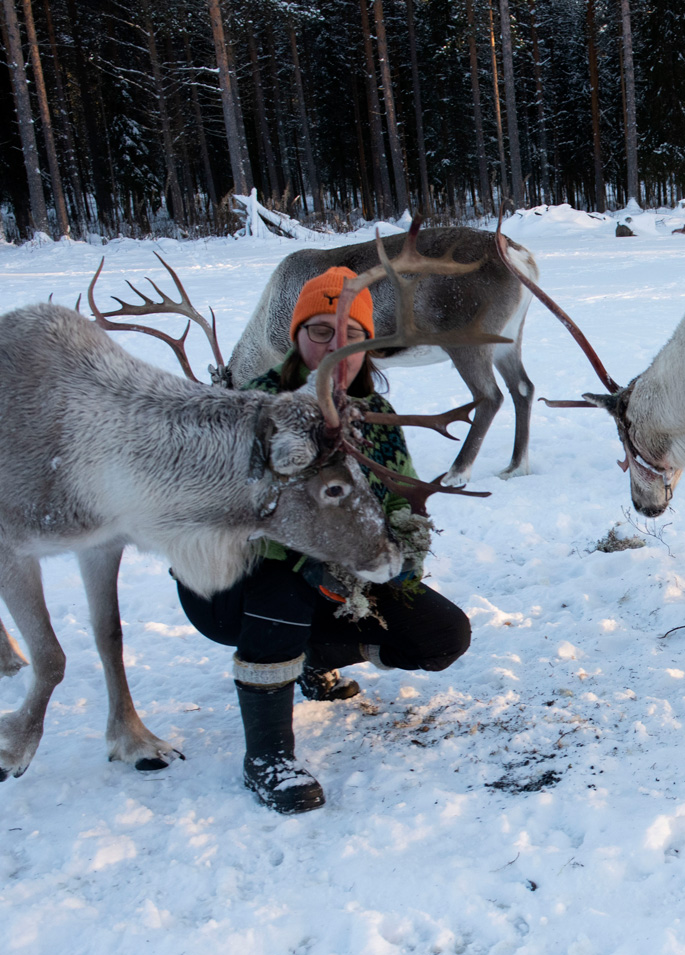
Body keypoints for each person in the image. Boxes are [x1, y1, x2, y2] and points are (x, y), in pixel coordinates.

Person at [179, 268, 471, 813]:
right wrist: (315, 559)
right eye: (320, 331)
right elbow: (218, 521)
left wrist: (402, 559)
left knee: (442, 633)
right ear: (295, 337)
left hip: (339, 581)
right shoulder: (251, 409)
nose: (337, 347)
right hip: (228, 591)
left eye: (352, 336)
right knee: (283, 589)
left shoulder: (379, 420)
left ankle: (311, 659)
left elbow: (400, 506)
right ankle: (266, 754)